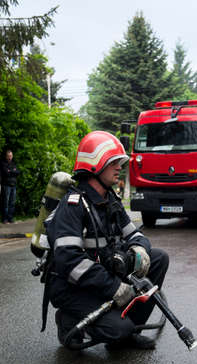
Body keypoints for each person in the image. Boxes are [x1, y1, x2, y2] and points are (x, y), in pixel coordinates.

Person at [45, 131, 169, 350]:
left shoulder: (110, 199)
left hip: (102, 278)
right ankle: (68, 321)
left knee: (158, 258)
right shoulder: (73, 206)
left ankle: (130, 329)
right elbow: (70, 263)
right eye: (113, 162)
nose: (119, 167)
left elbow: (135, 234)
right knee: (117, 330)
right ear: (95, 165)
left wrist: (139, 249)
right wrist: (114, 287)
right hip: (72, 288)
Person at [0, 149, 20, 224]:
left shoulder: (14, 163)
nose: (10, 157)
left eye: (11, 156)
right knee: (6, 203)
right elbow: (6, 172)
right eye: (8, 156)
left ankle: (10, 218)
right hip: (6, 186)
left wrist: (11, 171)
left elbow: (18, 172)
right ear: (6, 156)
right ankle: (4, 219)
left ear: (12, 156)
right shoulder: (3, 164)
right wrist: (13, 171)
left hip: (13, 185)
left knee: (12, 203)